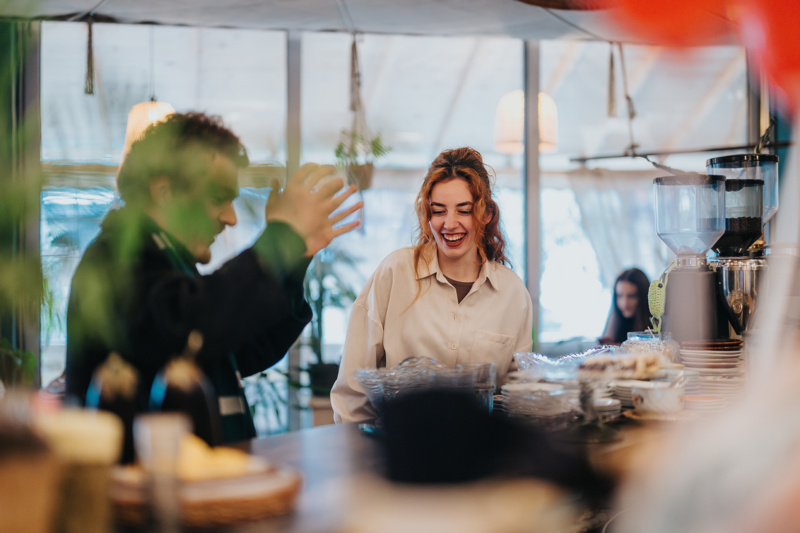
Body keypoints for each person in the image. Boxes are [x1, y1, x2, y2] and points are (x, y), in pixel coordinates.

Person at [65, 112, 362, 443]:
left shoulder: (169, 260)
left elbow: (243, 347)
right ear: (164, 191)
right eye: (218, 197)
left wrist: (295, 257)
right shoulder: (114, 258)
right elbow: (190, 326)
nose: (230, 218)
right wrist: (280, 240)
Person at [330, 146, 534, 424]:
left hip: (477, 457)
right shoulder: (394, 273)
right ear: (427, 215)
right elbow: (352, 393)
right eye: (438, 211)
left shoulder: (513, 294)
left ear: (485, 214)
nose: (450, 224)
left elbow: (518, 399)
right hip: (396, 453)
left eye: (464, 211)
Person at [599, 267, 651, 345]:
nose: (624, 303)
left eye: (631, 296)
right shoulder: (614, 321)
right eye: (620, 296)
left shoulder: (655, 326)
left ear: (644, 297)